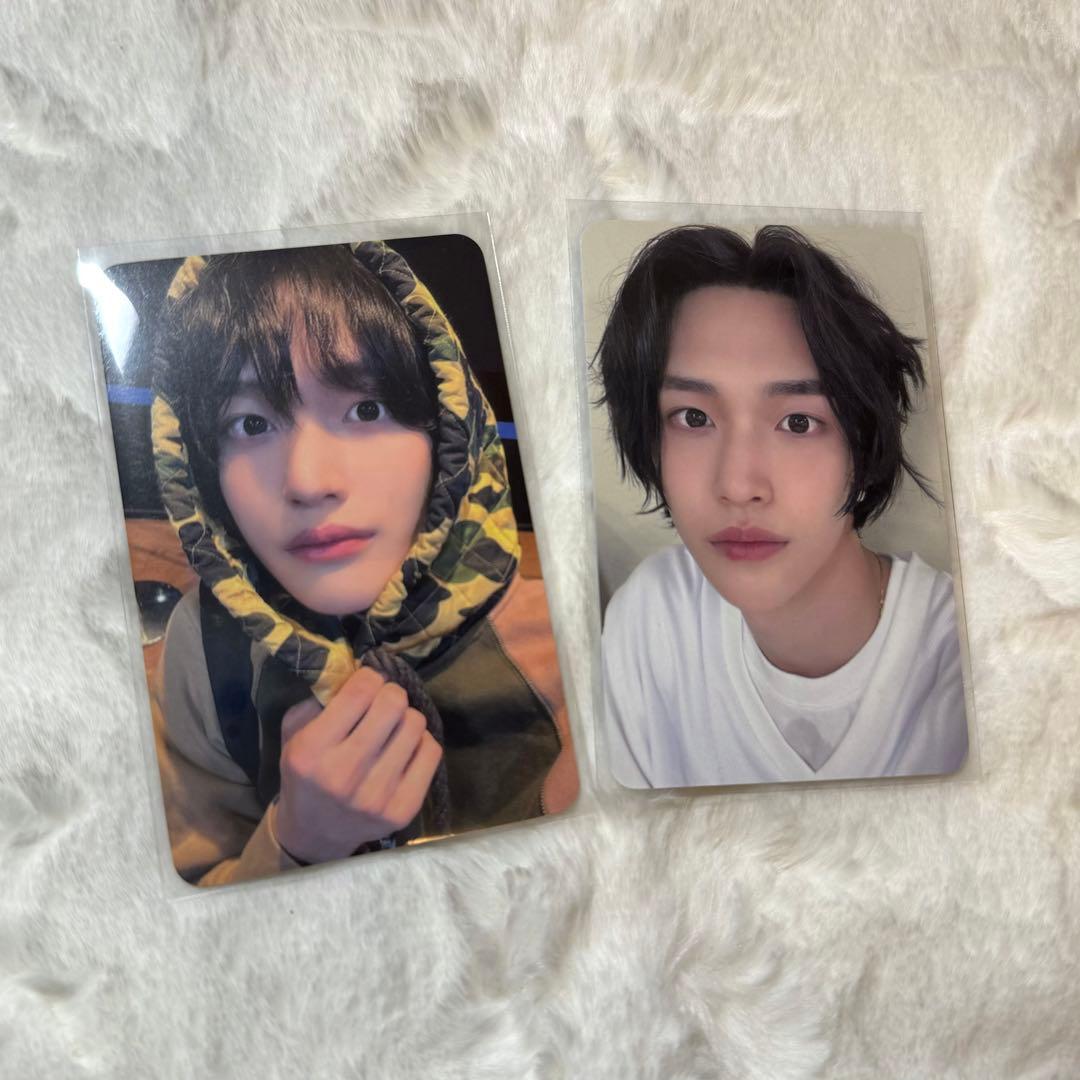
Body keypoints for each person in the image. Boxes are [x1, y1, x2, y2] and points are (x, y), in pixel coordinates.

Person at [149, 241, 577, 885]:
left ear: (448, 428)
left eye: (366, 408)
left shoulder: (580, 640)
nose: (309, 482)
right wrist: (296, 842)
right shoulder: (207, 646)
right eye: (250, 425)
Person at [595, 225, 969, 788]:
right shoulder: (653, 615)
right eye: (693, 418)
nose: (738, 485)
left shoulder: (968, 654)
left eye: (798, 422)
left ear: (864, 446)